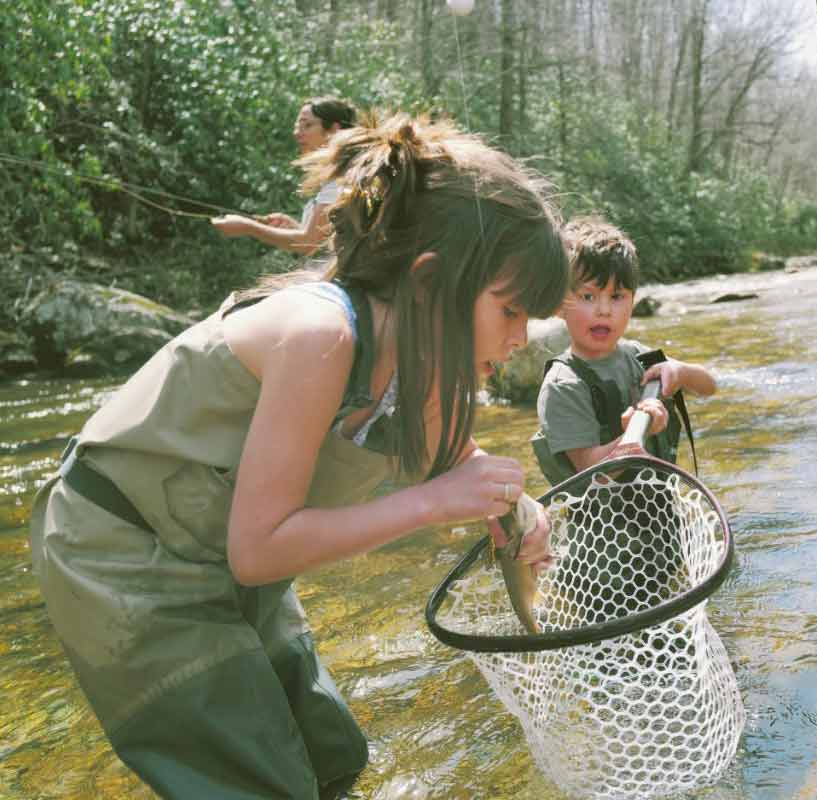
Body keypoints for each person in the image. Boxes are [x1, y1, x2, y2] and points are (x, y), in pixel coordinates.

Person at [29, 110, 569, 799]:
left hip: (214, 546)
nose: (521, 338)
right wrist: (430, 504)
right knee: (258, 780)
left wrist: (518, 508)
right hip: (121, 553)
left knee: (329, 755)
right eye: (510, 311)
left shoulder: (421, 353)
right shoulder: (320, 335)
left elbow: (455, 456)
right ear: (430, 283)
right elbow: (260, 551)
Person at [531, 216, 717, 487]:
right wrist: (637, 432)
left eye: (617, 297)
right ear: (559, 305)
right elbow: (592, 472)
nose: (604, 310)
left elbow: (709, 386)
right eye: (588, 296)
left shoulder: (640, 356)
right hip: (604, 514)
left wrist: (680, 372)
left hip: (661, 506)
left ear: (632, 303)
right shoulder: (562, 386)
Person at [211, 97, 357, 255]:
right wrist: (295, 227)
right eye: (297, 127)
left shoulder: (341, 178)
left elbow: (309, 243)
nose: (297, 133)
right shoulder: (341, 172)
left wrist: (249, 227)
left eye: (307, 125)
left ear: (334, 130)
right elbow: (321, 243)